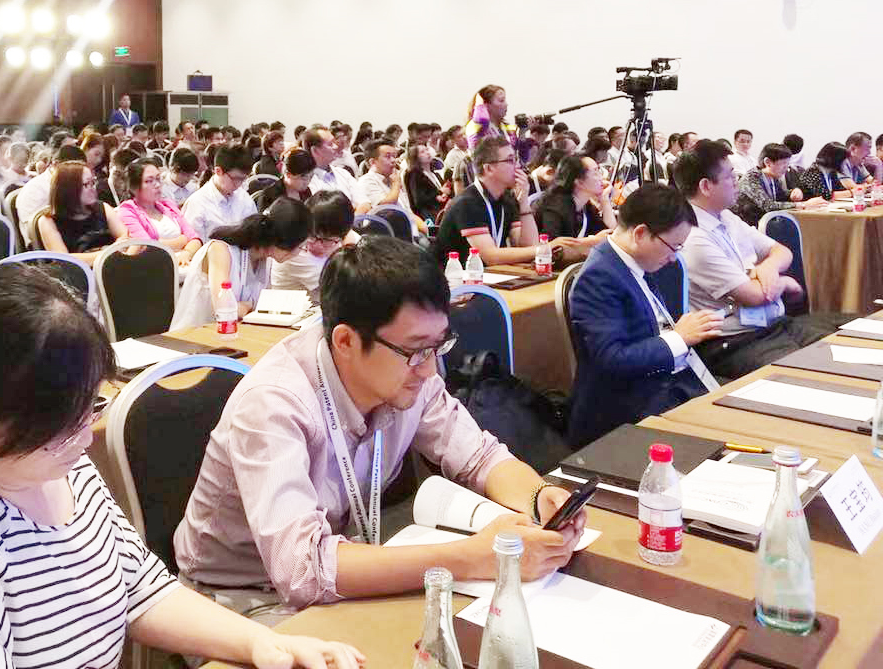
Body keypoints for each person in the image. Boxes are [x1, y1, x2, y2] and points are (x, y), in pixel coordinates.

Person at [0, 264, 362, 669]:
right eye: (57, 429)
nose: (84, 439)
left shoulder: (64, 468)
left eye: (89, 411)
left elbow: (142, 590)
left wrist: (263, 643)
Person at [174, 236, 584, 611]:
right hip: (240, 598)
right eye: (416, 351)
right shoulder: (273, 405)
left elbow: (479, 456)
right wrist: (474, 558)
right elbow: (302, 571)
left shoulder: (411, 369)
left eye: (438, 345)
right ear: (346, 342)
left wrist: (538, 497)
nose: (429, 369)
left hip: (338, 564)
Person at [566, 184, 723, 448]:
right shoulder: (598, 277)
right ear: (640, 234)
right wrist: (680, 338)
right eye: (674, 247)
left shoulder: (636, 263)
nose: (674, 258)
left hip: (666, 385)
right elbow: (612, 360)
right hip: (627, 409)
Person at [676, 140, 845, 380]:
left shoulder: (726, 217)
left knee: (850, 341)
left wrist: (768, 267)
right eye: (730, 176)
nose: (737, 181)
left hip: (772, 323)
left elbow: (781, 251)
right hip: (735, 340)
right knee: (818, 373)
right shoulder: (693, 237)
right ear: (705, 186)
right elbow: (753, 296)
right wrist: (783, 282)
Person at [170, 198, 310, 331]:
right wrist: (247, 307)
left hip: (237, 334)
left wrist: (247, 307)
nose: (300, 252)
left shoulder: (266, 258)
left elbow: (262, 307)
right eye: (300, 247)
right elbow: (223, 310)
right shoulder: (220, 250)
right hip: (193, 335)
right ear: (282, 242)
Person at [435, 139, 576, 267]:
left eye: (516, 159)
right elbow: (490, 256)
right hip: (453, 279)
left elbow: (528, 245)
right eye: (510, 160)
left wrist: (524, 202)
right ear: (489, 168)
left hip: (489, 275)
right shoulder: (467, 203)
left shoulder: (506, 198)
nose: (518, 166)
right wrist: (546, 247)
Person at [271, 190, 358, 302]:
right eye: (312, 236)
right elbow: (340, 291)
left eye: (326, 240)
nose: (316, 245)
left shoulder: (342, 235)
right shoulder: (295, 250)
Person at [117, 158, 202, 266]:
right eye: (149, 181)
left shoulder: (168, 204)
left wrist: (187, 253)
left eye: (158, 179)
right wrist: (183, 240)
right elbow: (147, 247)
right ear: (134, 187)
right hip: (154, 266)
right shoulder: (127, 210)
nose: (157, 185)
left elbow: (195, 238)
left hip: (183, 262)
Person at [38, 161, 127, 262]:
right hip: (79, 271)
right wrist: (109, 253)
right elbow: (63, 260)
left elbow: (125, 236)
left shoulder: (103, 207)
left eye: (93, 182)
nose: (93, 188)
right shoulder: (48, 221)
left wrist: (111, 252)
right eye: (86, 184)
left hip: (114, 265)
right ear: (68, 189)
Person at [535, 155, 616, 258]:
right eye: (595, 172)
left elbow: (610, 234)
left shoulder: (585, 207)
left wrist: (605, 200)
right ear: (579, 181)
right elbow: (552, 246)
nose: (601, 177)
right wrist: (590, 241)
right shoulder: (555, 206)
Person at [734, 143, 828, 225]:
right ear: (768, 162)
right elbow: (769, 206)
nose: (786, 168)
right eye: (783, 163)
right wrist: (803, 204)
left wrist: (794, 192)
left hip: (765, 223)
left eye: (788, 164)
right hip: (746, 226)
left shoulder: (772, 177)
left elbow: (780, 196)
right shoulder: (752, 178)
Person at [183, 143, 259, 242]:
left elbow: (254, 235)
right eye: (236, 178)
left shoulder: (243, 197)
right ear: (218, 171)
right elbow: (194, 245)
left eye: (243, 179)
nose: (239, 184)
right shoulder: (197, 203)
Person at [305, 127, 356, 197]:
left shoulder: (343, 173)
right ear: (315, 150)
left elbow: (363, 200)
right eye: (330, 144)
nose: (335, 146)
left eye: (334, 142)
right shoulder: (307, 182)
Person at [403, 142, 447, 223]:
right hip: (428, 216)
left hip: (443, 211)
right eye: (422, 152)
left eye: (427, 150)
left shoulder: (435, 173)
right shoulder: (414, 174)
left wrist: (445, 193)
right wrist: (439, 193)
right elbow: (419, 200)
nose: (427, 153)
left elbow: (441, 191)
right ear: (416, 157)